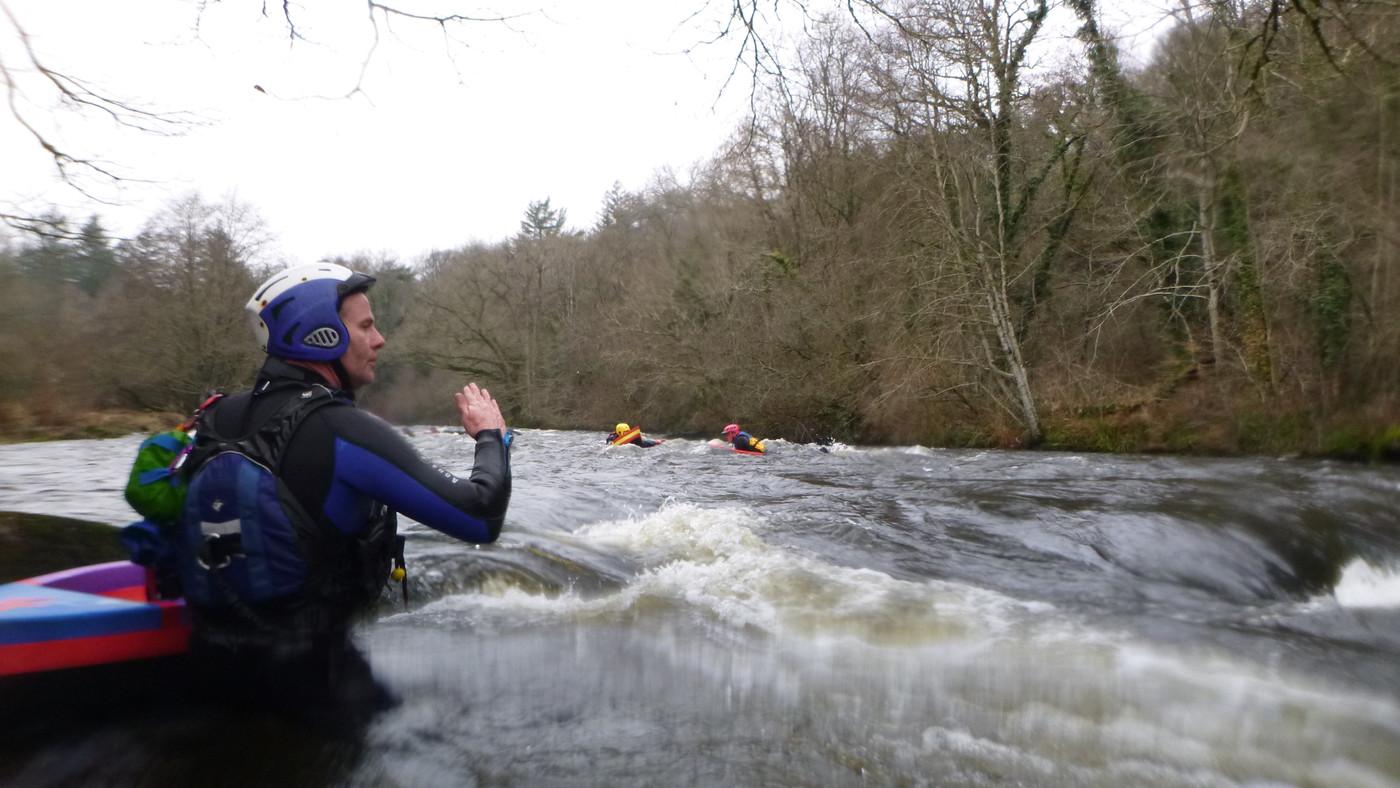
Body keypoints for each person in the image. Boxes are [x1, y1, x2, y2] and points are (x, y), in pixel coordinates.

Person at [176, 262, 511, 731]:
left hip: (206, 671)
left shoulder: (214, 419)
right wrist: (491, 438)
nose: (380, 340)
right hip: (318, 688)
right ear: (321, 334)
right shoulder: (342, 430)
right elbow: (480, 517)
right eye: (366, 326)